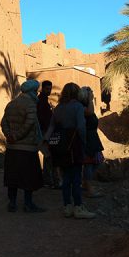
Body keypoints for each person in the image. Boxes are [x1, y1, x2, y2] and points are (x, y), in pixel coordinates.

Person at [45, 82, 96, 219]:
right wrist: (84, 142)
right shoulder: (78, 106)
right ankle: (78, 207)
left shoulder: (58, 108)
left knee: (66, 177)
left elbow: (51, 127)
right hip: (74, 145)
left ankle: (67, 206)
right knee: (76, 177)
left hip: (60, 146)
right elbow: (81, 127)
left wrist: (46, 142)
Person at [0, 79, 45, 213]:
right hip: (27, 148)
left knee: (12, 177)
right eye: (36, 92)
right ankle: (28, 204)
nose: (37, 94)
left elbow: (3, 123)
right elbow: (30, 123)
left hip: (12, 148)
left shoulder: (11, 104)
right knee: (29, 177)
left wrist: (10, 136)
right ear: (31, 92)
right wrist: (17, 136)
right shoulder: (30, 105)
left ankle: (12, 203)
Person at [78, 86, 105, 198]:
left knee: (97, 161)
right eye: (91, 93)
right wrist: (90, 99)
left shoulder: (85, 107)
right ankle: (88, 188)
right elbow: (90, 112)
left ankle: (86, 183)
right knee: (89, 163)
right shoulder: (83, 108)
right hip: (87, 138)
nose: (93, 94)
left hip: (92, 137)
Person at [37, 80, 60, 189]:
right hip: (44, 132)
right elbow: (42, 118)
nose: (49, 90)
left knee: (48, 156)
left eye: (50, 88)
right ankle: (47, 180)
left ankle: (47, 179)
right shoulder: (41, 101)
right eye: (47, 88)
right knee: (48, 156)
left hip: (45, 131)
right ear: (42, 88)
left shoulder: (44, 100)